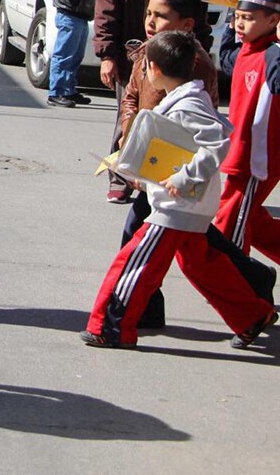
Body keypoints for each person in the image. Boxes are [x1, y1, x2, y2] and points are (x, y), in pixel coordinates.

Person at [82, 30, 276, 350]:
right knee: (202, 265)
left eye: (145, 67)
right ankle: (251, 316)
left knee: (135, 262)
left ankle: (110, 327)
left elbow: (217, 141)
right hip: (184, 204)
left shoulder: (187, 104)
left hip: (176, 206)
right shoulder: (188, 99)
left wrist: (184, 178)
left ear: (154, 69)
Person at [115, 0, 275, 329]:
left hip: (178, 169)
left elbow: (201, 126)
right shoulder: (148, 52)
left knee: (151, 239)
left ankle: (140, 310)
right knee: (201, 245)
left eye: (161, 16)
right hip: (154, 163)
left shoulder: (193, 63)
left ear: (186, 24)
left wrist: (173, 166)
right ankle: (253, 287)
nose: (151, 21)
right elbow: (132, 98)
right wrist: (128, 137)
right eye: (149, 14)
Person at [93, 0, 211, 203]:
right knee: (131, 114)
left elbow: (198, 9)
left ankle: (167, 175)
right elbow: (107, 10)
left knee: (174, 120)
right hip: (136, 58)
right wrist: (107, 55)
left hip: (179, 59)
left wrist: (202, 48)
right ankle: (122, 174)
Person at [213, 0, 280, 268]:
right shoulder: (246, 51)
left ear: (273, 20)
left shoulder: (273, 56)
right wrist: (230, 26)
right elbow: (227, 59)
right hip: (238, 150)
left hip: (258, 158)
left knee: (232, 217)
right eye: (238, 17)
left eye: (249, 19)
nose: (241, 24)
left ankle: (235, 276)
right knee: (249, 216)